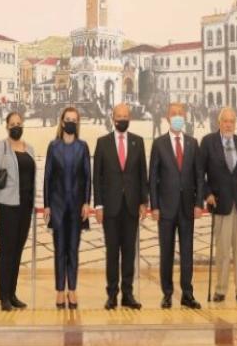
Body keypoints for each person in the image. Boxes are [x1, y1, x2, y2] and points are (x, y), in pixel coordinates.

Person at [93, 103, 148, 310]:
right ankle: (112, 294)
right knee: (112, 252)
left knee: (129, 252)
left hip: (131, 206)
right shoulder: (102, 143)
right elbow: (97, 177)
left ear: (129, 118)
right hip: (110, 207)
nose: (122, 119)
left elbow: (143, 174)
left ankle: (128, 294)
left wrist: (144, 201)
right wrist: (98, 205)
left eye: (125, 116)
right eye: (119, 116)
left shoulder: (138, 142)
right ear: (112, 118)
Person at [149, 102, 203, 309]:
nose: (178, 116)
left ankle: (187, 294)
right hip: (166, 208)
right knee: (167, 253)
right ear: (167, 117)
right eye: (174, 113)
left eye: (181, 113)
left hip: (187, 208)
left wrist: (198, 203)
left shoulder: (193, 143)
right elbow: (153, 178)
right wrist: (154, 206)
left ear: (185, 116)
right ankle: (167, 293)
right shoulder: (159, 144)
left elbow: (199, 176)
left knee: (187, 252)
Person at [200, 107, 237, 303]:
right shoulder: (208, 142)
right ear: (219, 122)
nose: (229, 124)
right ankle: (221, 289)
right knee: (223, 250)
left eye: (232, 121)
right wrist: (207, 194)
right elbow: (200, 173)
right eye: (225, 121)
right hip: (220, 203)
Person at [0, 112, 36, 311]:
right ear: (7, 127)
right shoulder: (1, 147)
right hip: (6, 206)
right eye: (12, 124)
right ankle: (4, 296)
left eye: (19, 123)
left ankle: (12, 294)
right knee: (6, 251)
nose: (16, 126)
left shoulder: (30, 149)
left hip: (25, 207)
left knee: (17, 251)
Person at [44, 107, 91, 309]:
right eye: (68, 119)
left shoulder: (83, 147)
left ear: (77, 123)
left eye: (74, 119)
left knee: (73, 249)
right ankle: (59, 291)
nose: (70, 122)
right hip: (57, 207)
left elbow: (87, 177)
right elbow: (47, 177)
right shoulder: (53, 146)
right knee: (59, 250)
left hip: (77, 207)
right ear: (62, 122)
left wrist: (87, 202)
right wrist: (47, 205)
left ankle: (72, 289)